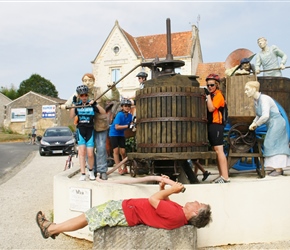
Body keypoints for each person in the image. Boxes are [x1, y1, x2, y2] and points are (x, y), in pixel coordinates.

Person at [36, 175, 212, 240]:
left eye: (198, 204)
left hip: (125, 211)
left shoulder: (176, 214)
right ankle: (55, 229)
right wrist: (163, 188)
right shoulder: (179, 213)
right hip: (127, 210)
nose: (195, 201)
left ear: (196, 212)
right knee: (89, 215)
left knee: (87, 217)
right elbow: (160, 203)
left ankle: (50, 228)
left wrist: (172, 189)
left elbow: (153, 200)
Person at [63, 73, 120, 180]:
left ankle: (102, 170)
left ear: (94, 81)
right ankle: (91, 170)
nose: (87, 82)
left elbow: (115, 97)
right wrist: (66, 106)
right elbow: (69, 104)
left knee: (101, 148)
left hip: (100, 126)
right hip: (85, 126)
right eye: (85, 80)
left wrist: (114, 89)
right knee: (88, 151)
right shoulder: (79, 93)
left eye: (89, 80)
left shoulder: (99, 92)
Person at [245, 81, 290, 176]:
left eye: (247, 89)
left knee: (272, 143)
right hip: (272, 124)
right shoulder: (256, 101)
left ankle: (278, 169)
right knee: (273, 143)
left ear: (254, 89)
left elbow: (265, 116)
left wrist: (256, 124)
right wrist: (253, 123)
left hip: (277, 122)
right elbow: (258, 115)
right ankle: (276, 168)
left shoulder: (264, 99)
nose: (245, 92)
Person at [70, 85, 106, 181]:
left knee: (90, 154)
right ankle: (82, 173)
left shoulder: (91, 104)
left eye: (85, 95)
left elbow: (103, 112)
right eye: (82, 95)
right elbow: (71, 115)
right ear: (79, 96)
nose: (84, 97)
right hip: (81, 131)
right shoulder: (78, 105)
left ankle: (91, 171)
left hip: (90, 130)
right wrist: (74, 104)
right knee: (82, 152)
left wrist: (95, 105)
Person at [204, 74, 229, 183]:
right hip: (211, 125)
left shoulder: (218, 95)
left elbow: (211, 108)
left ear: (217, 85)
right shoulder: (213, 95)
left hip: (217, 125)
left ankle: (225, 177)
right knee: (217, 151)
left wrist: (208, 96)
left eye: (212, 85)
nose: (210, 87)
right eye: (208, 85)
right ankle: (221, 176)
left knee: (220, 151)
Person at [109, 98, 134, 175]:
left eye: (129, 106)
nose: (127, 107)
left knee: (123, 152)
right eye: (125, 106)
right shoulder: (119, 115)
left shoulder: (130, 116)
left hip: (121, 134)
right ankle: (118, 168)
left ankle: (125, 168)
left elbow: (131, 124)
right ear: (122, 107)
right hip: (114, 133)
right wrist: (128, 126)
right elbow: (116, 127)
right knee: (116, 151)